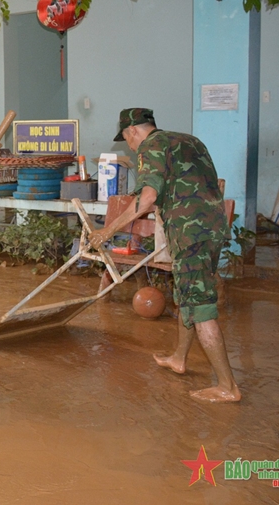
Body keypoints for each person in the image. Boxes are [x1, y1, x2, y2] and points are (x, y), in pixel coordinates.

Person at [89, 108, 241, 403]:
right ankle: (179, 358)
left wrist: (107, 231)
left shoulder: (151, 146)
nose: (130, 147)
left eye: (126, 140)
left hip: (190, 233)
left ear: (132, 131)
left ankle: (227, 386)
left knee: (200, 307)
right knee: (187, 294)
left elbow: (147, 197)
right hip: (209, 226)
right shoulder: (189, 140)